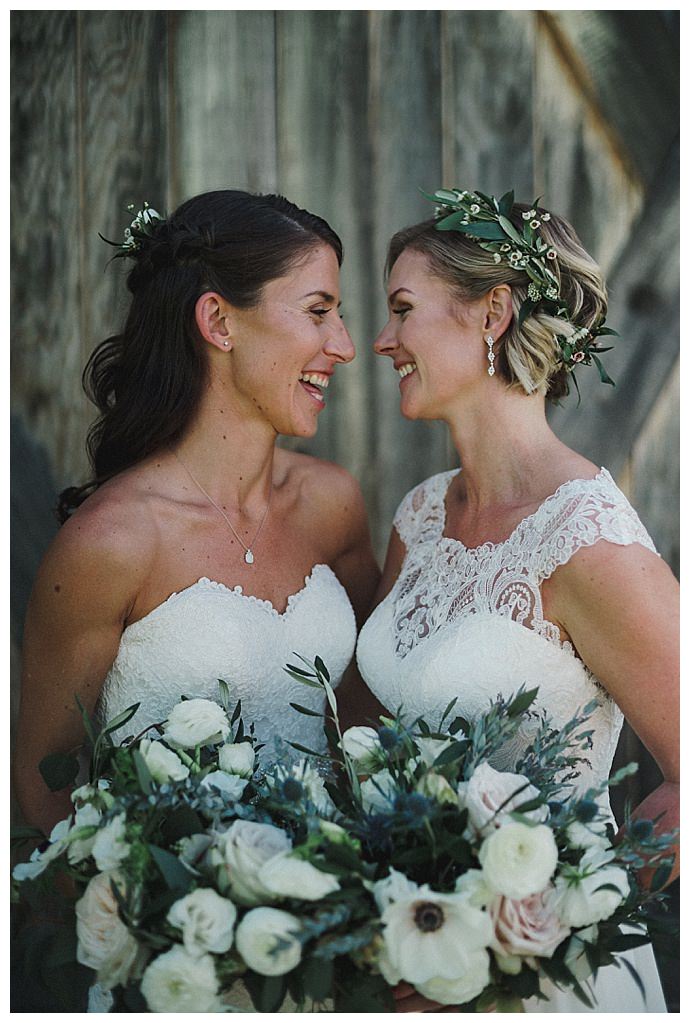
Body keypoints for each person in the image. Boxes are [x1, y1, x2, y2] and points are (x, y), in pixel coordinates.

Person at [356, 188, 679, 1012]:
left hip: (541, 982)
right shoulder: (421, 516)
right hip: (405, 958)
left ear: (492, 312)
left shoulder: (590, 541)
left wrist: (544, 917)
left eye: (402, 309)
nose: (383, 341)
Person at [14, 189, 380, 839]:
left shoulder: (333, 506)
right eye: (319, 311)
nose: (345, 346)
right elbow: (46, 790)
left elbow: (364, 721)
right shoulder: (111, 542)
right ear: (218, 321)